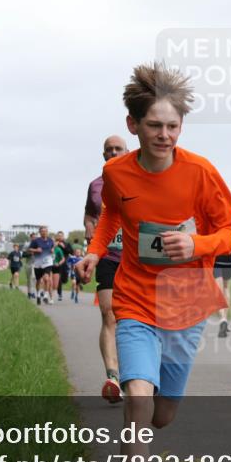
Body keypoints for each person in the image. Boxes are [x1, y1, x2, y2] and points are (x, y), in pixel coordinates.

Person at [76, 62, 231, 462]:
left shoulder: (201, 172)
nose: (165, 135)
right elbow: (111, 215)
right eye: (154, 125)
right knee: (139, 405)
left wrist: (195, 244)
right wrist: (93, 250)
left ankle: (140, 434)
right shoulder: (115, 172)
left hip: (186, 307)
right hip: (134, 304)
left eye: (172, 126)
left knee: (161, 414)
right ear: (134, 126)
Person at [84, 135, 129, 404]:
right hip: (109, 256)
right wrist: (90, 226)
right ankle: (113, 377)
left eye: (118, 149)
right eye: (109, 150)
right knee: (109, 315)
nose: (113, 152)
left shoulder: (144, 178)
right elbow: (90, 213)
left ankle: (140, 375)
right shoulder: (95, 186)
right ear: (104, 155)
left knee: (139, 319)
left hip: (139, 259)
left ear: (127, 151)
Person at [28, 227, 55, 305]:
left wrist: (52, 249)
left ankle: (46, 295)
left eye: (45, 231)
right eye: (42, 231)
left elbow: (53, 246)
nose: (44, 232)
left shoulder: (50, 240)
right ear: (40, 232)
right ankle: (38, 294)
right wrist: (36, 250)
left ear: (47, 232)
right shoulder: (35, 241)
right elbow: (29, 249)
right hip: (38, 263)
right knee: (38, 280)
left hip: (48, 262)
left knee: (47, 279)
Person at [52, 231, 69, 301]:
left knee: (64, 279)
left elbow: (70, 251)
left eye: (61, 236)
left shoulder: (66, 244)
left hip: (64, 264)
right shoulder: (55, 244)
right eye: (58, 236)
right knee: (58, 280)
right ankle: (59, 294)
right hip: (56, 264)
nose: (60, 237)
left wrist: (64, 247)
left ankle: (56, 291)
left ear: (63, 236)